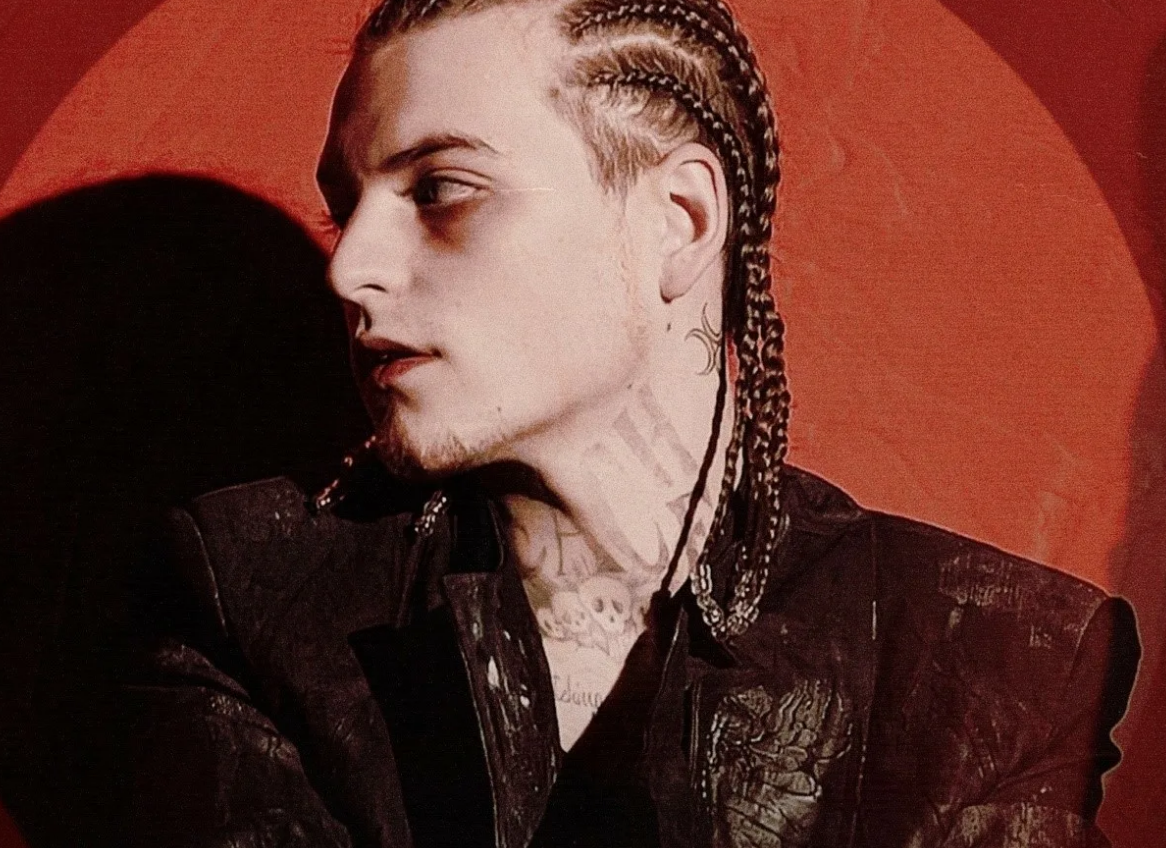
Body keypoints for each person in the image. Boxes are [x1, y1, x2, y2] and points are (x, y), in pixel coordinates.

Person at [123, 0, 1141, 845]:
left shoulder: (990, 660)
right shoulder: (251, 593)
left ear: (678, 221)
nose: (349, 268)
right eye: (345, 208)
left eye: (441, 190)